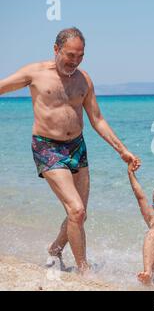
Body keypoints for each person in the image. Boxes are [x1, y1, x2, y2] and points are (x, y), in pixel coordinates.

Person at [0, 27, 140, 274]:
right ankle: (84, 271)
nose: (74, 61)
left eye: (80, 56)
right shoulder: (35, 73)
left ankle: (55, 250)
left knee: (79, 215)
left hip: (77, 146)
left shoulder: (84, 80)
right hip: (47, 146)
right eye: (69, 55)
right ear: (56, 49)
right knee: (76, 209)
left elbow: (97, 119)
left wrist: (122, 150)